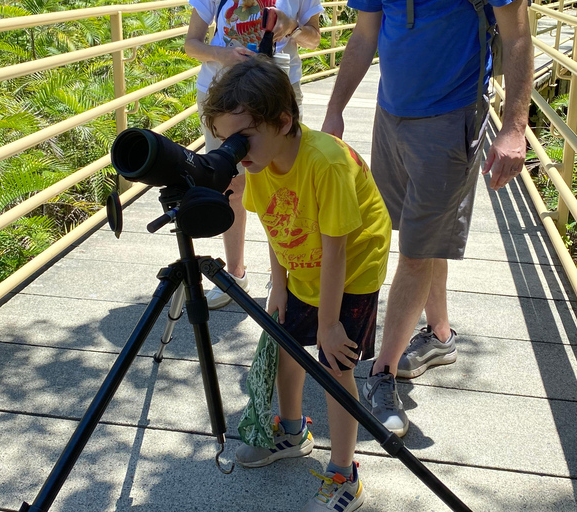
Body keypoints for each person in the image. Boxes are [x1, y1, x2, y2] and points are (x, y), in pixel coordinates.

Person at [321, 0, 532, 436]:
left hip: (451, 118)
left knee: (415, 253)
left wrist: (514, 127)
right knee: (416, 235)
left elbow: (517, 35)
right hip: (390, 113)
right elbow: (364, 35)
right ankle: (439, 334)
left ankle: (382, 372)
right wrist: (335, 110)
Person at [202, 56, 391, 512]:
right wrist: (279, 286)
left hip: (352, 268)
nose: (232, 150)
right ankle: (291, 431)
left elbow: (337, 251)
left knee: (334, 363)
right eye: (224, 140)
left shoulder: (325, 164)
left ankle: (345, 474)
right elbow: (274, 226)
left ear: (284, 121)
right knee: (286, 340)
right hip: (302, 262)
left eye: (241, 138)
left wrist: (328, 323)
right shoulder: (257, 163)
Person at [185, 0, 323, 309]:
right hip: (223, 97)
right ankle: (235, 274)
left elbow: (315, 37)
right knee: (231, 184)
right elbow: (191, 43)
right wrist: (223, 55)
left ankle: (285, 274)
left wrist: (293, 27)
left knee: (286, 182)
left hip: (277, 95)